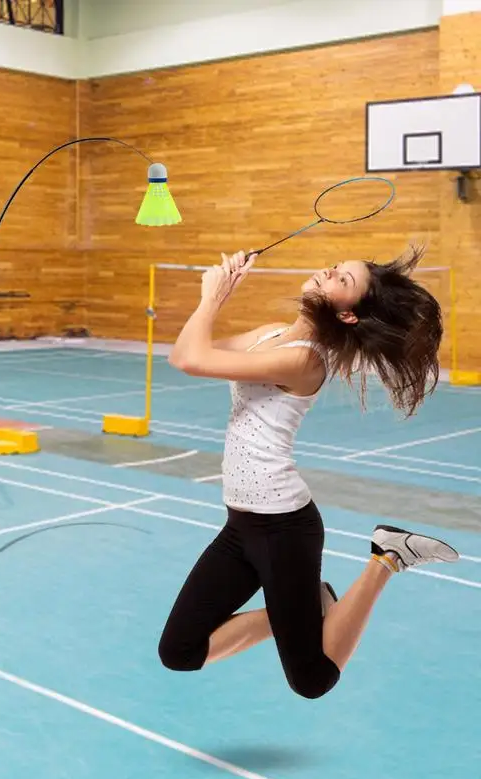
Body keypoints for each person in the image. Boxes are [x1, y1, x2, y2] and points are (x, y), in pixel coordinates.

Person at [158, 245, 460, 700]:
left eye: (342, 280)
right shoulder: (270, 336)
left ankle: (388, 557)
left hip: (283, 528)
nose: (329, 272)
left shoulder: (305, 359)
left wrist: (213, 299)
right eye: (337, 268)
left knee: (312, 679)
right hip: (241, 524)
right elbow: (186, 351)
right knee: (180, 650)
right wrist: (216, 297)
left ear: (348, 316)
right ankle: (316, 605)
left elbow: (190, 359)